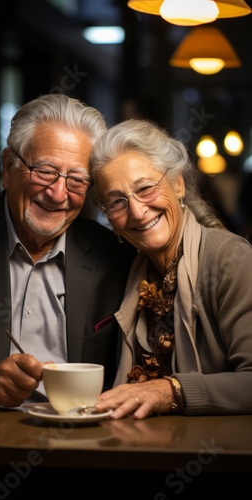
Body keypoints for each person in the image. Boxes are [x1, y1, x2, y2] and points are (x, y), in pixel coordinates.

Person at [0, 94, 137, 426]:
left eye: (76, 179)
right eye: (45, 171)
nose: (58, 193)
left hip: (87, 448)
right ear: (8, 167)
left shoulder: (116, 255)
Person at [90, 118, 252, 420]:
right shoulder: (130, 270)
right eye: (117, 202)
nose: (137, 212)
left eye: (146, 188)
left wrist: (171, 390)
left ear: (178, 183)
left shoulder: (230, 258)